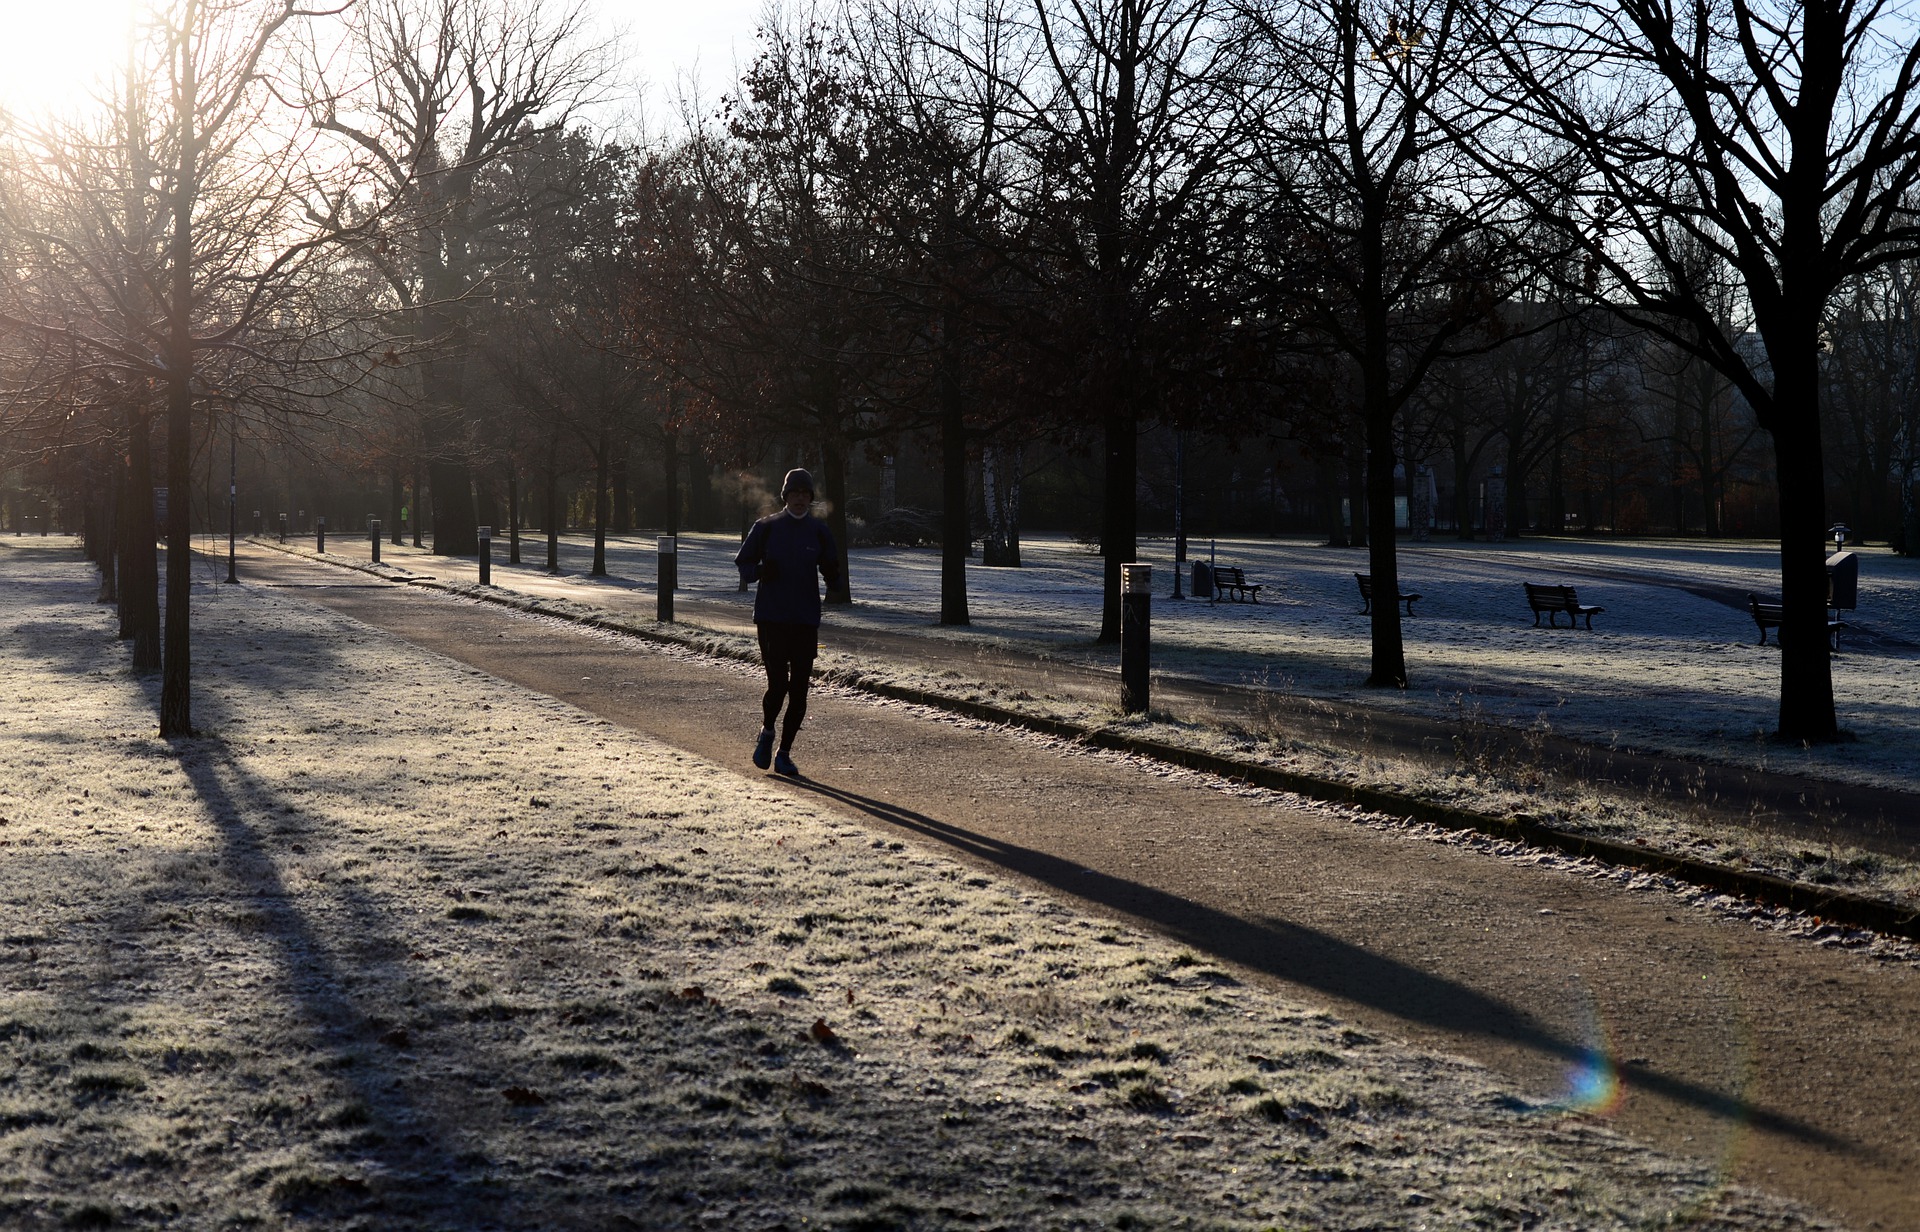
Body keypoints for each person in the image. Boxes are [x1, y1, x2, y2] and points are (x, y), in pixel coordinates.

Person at [735, 468, 841, 776]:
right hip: (772, 618)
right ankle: (767, 732)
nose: (799, 499)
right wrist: (759, 573)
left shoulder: (819, 532)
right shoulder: (766, 528)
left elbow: (831, 568)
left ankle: (785, 753)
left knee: (799, 691)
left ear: (811, 498)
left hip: (805, 620)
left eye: (805, 495)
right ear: (786, 497)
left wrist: (833, 576)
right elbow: (744, 563)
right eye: (794, 494)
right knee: (778, 684)